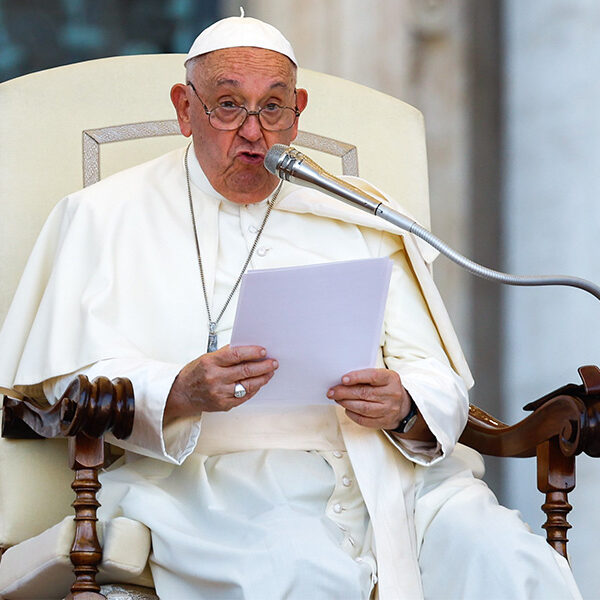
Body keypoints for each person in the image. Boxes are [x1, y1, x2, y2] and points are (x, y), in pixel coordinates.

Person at [0, 14, 582, 600]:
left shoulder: (358, 216)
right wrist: (179, 390)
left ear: (298, 110)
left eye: (273, 108)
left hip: (386, 476)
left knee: (509, 562)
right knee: (298, 573)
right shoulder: (104, 217)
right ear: (184, 109)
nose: (255, 133)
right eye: (229, 106)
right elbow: (64, 385)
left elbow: (438, 375)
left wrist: (405, 405)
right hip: (209, 486)